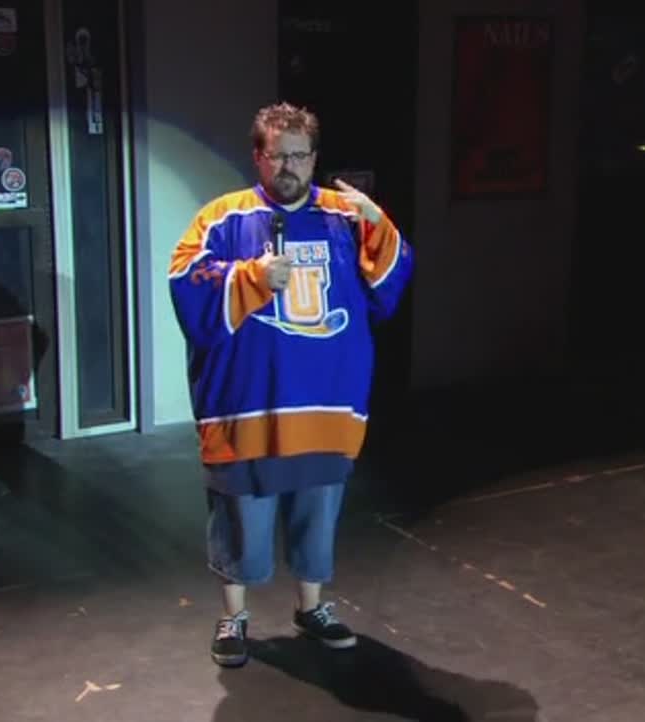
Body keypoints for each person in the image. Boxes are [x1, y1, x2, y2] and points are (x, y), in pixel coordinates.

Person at [167, 102, 414, 668]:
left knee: (317, 509)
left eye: (300, 156)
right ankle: (234, 616)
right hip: (248, 404)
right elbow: (185, 281)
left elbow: (388, 290)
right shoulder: (223, 217)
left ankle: (312, 607)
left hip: (325, 400)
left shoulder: (344, 215)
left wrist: (378, 224)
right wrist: (250, 277)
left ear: (314, 158)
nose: (289, 167)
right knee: (241, 513)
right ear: (258, 155)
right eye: (278, 155)